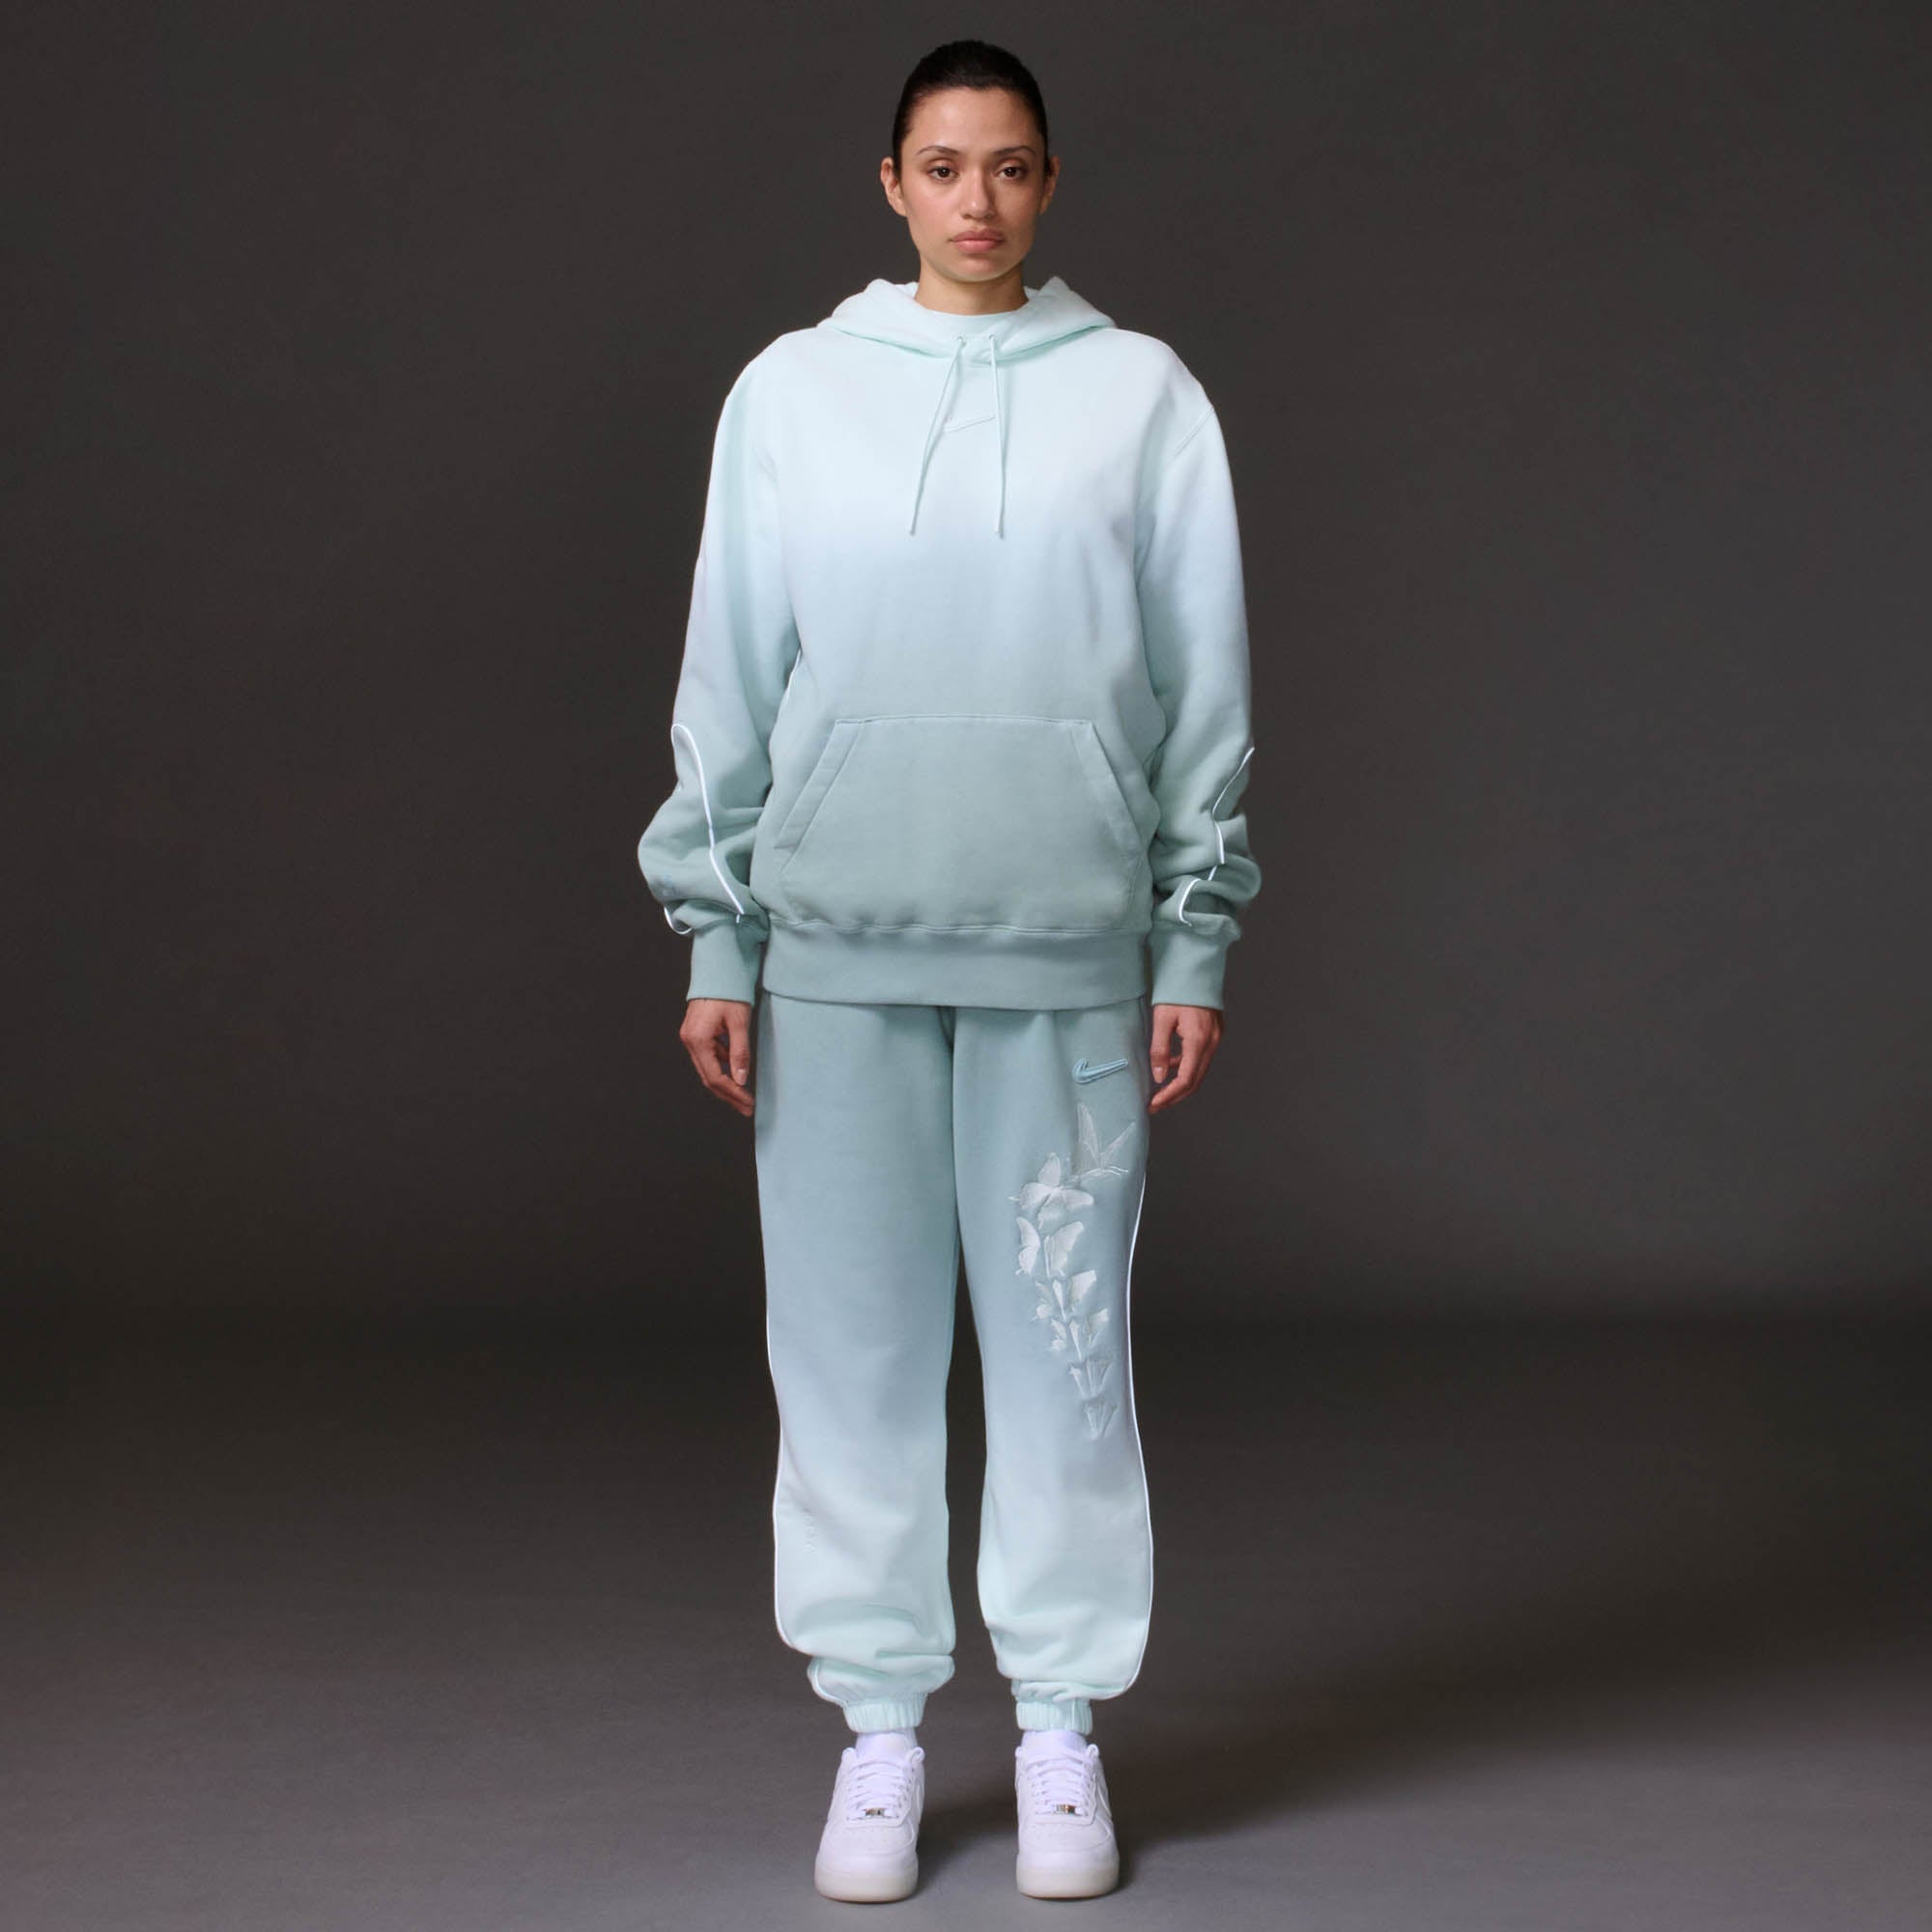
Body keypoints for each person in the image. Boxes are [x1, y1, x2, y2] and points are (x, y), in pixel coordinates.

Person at [636, 38, 1261, 1903]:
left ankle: (1060, 1732)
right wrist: (721, 928)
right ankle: (882, 1738)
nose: (975, 199)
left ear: (1049, 182)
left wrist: (1192, 932)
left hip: (1066, 951)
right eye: (941, 164)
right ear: (891, 182)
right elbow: (730, 671)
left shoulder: (1143, 398)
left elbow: (1204, 688)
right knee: (850, 1367)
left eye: (1008, 165)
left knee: (1069, 1368)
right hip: (835, 951)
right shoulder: (792, 394)